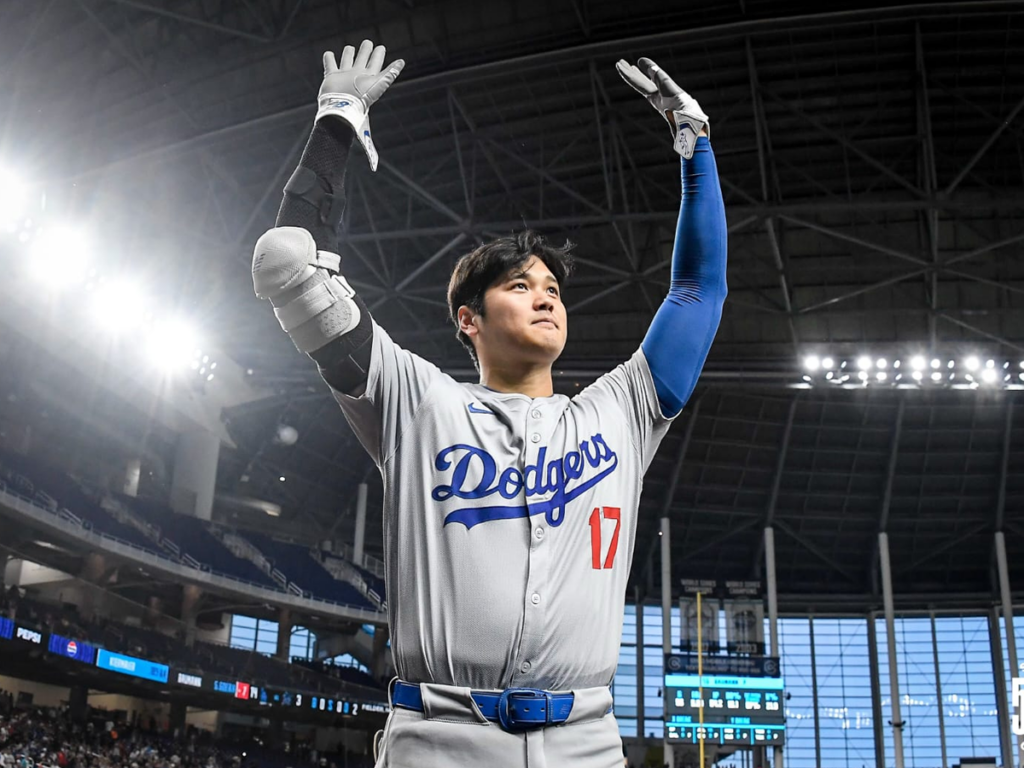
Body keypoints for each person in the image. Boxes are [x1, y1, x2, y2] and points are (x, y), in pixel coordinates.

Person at [253, 39, 727, 768]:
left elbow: (699, 290)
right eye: (517, 285)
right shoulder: (413, 399)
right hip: (441, 738)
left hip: (588, 742)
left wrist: (696, 149)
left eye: (553, 289)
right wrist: (338, 121)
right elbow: (287, 262)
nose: (543, 295)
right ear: (468, 319)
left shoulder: (622, 409)